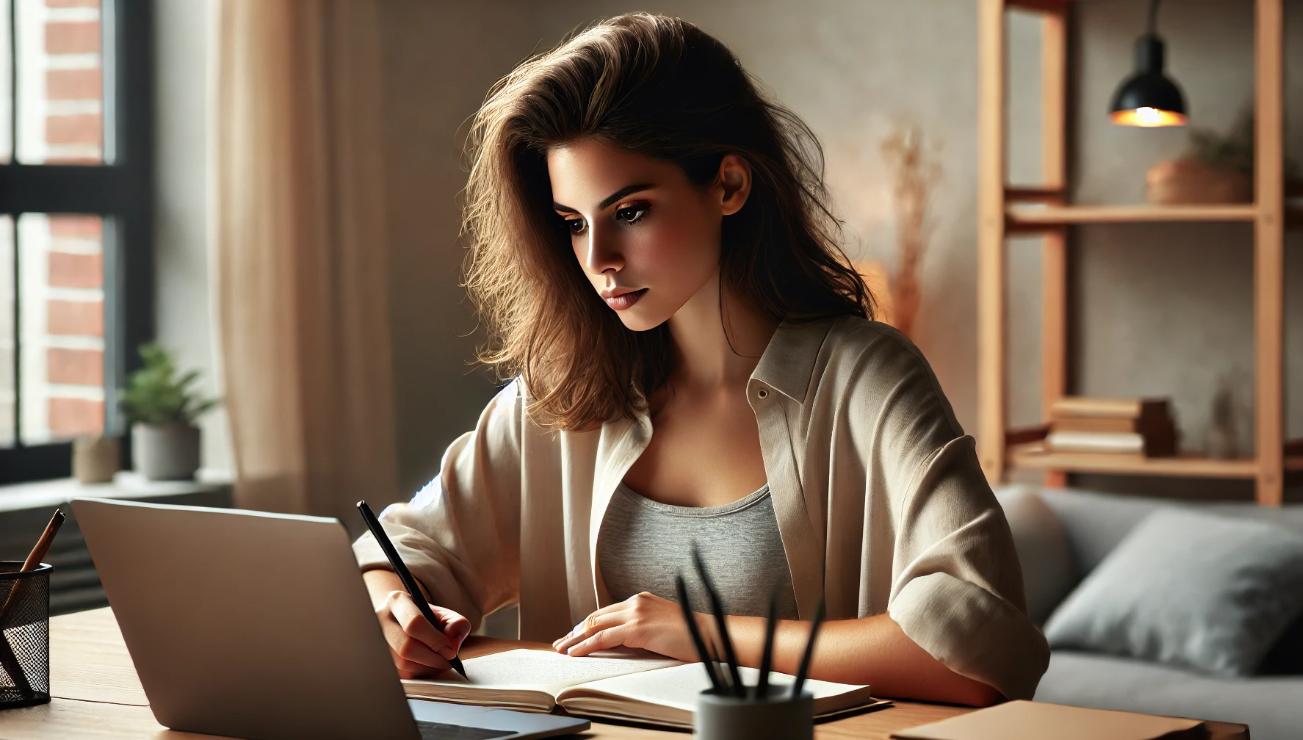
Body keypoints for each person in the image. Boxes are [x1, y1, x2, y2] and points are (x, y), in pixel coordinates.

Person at [353, 12, 1049, 705]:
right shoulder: (563, 394)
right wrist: (395, 612)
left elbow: (981, 650)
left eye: (629, 212)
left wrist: (704, 634)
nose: (598, 260)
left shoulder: (866, 378)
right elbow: (396, 556)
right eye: (573, 223)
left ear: (728, 185)